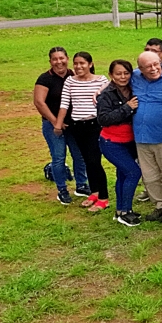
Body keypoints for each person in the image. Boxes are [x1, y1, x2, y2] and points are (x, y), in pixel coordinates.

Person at [56, 51, 111, 214]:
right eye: (76, 64)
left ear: (90, 64)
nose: (79, 67)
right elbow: (64, 103)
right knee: (87, 161)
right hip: (77, 126)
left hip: (95, 125)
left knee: (95, 161)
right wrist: (58, 124)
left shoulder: (101, 80)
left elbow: (110, 90)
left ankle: (104, 198)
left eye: (82, 63)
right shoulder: (70, 81)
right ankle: (94, 192)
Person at [131, 50, 162, 222]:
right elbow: (114, 82)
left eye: (155, 64)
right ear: (140, 69)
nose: (153, 69)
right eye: (148, 67)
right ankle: (159, 204)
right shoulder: (134, 77)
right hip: (141, 137)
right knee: (149, 175)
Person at [34, 46, 89, 204]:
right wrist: (55, 122)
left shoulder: (73, 75)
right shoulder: (45, 79)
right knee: (58, 158)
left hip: (74, 124)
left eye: (61, 58)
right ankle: (62, 189)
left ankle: (81, 185)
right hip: (53, 125)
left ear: (67, 59)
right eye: (55, 59)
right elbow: (39, 102)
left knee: (79, 155)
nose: (59, 62)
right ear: (50, 61)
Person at [96, 59, 143, 227]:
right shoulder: (106, 94)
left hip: (130, 141)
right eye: (118, 73)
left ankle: (120, 211)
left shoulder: (134, 89)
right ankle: (125, 211)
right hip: (111, 142)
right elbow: (103, 119)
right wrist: (128, 107)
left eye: (126, 73)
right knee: (133, 172)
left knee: (123, 174)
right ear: (111, 75)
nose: (123, 77)